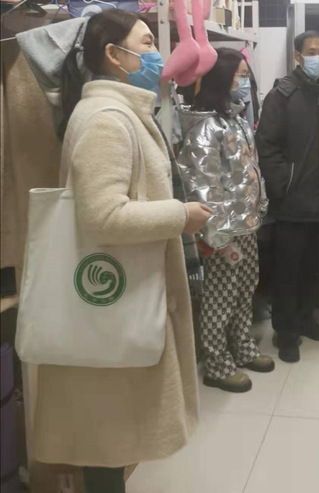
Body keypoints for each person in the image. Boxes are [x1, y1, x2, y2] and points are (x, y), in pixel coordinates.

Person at [34, 10, 211, 492]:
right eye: (147, 42)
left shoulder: (122, 112)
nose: (157, 54)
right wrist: (180, 215)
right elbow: (102, 216)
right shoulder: (107, 121)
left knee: (109, 443)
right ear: (114, 55)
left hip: (118, 298)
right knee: (106, 445)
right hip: (112, 303)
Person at [178, 48, 274, 393]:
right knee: (220, 297)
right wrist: (217, 238)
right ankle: (217, 365)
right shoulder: (205, 128)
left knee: (245, 290)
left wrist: (259, 206)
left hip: (245, 223)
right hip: (223, 232)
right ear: (221, 77)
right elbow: (204, 188)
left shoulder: (235, 118)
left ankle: (242, 347)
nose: (244, 81)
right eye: (239, 75)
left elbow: (249, 169)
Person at [256, 31, 319, 363]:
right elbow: (267, 146)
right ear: (297, 56)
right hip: (292, 202)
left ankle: (307, 320)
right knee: (287, 272)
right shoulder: (282, 95)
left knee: (312, 269)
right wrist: (284, 185)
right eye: (312, 51)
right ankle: (286, 333)